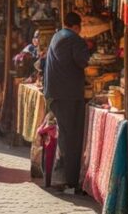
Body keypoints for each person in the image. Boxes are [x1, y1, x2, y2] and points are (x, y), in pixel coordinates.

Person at [43, 11, 92, 194]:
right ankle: (69, 180)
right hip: (68, 95)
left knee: (65, 134)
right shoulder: (74, 38)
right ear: (77, 26)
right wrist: (87, 48)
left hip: (57, 93)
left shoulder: (57, 35)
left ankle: (62, 178)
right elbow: (83, 61)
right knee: (71, 137)